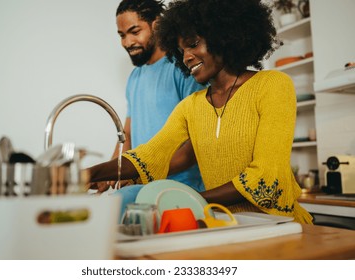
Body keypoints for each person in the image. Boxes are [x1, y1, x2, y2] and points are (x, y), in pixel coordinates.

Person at [87, 0, 313, 224]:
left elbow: (266, 176)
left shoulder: (273, 85)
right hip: (226, 224)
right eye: (181, 50)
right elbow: (148, 157)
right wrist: (87, 174)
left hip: (281, 225)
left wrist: (190, 200)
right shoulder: (191, 106)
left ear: (223, 37)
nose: (186, 57)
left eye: (193, 44)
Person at [95, 0, 206, 216]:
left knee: (110, 212)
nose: (127, 42)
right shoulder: (135, 78)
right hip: (144, 183)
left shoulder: (183, 68)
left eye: (134, 31)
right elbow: (126, 135)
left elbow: (196, 145)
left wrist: (138, 173)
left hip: (180, 189)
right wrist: (108, 173)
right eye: (121, 35)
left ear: (156, 25)